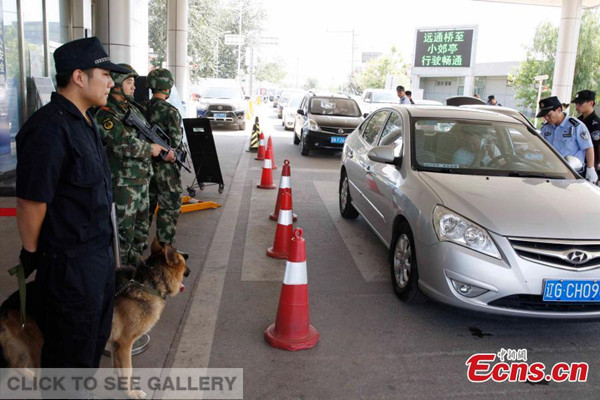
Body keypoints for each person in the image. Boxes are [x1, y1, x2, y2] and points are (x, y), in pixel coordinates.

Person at [15, 37, 131, 367]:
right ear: (79, 77)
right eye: (105, 74)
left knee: (90, 348)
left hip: (96, 260)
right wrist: (33, 252)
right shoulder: (49, 129)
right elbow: (30, 203)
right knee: (69, 356)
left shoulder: (85, 120)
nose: (111, 82)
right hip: (69, 267)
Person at [95, 64, 172, 268]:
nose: (133, 86)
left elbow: (148, 133)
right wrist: (151, 149)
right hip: (122, 184)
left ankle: (134, 273)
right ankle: (117, 281)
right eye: (129, 82)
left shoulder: (133, 108)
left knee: (140, 233)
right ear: (117, 85)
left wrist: (163, 151)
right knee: (122, 235)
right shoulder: (106, 113)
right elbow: (122, 143)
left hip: (141, 180)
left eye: (133, 82)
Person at [145, 68, 186, 253]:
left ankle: (135, 252)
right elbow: (176, 142)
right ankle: (164, 252)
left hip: (144, 165)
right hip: (165, 169)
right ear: (168, 88)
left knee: (144, 210)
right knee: (169, 208)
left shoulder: (141, 107)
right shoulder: (171, 111)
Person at [538, 95, 597, 183]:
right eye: (544, 115)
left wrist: (590, 168)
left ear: (558, 110)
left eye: (549, 115)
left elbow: (588, 147)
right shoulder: (546, 128)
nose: (546, 118)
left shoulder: (576, 126)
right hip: (550, 172)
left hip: (572, 174)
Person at [572, 90, 600, 172]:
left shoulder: (596, 123)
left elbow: (598, 146)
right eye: (576, 104)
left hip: (589, 166)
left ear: (591, 103)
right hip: (576, 164)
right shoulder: (577, 121)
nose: (577, 106)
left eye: (580, 104)